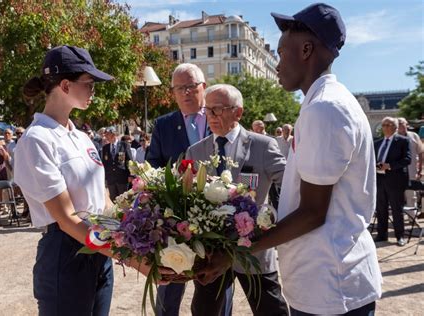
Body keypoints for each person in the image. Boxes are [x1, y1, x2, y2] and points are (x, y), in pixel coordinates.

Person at [194, 4, 382, 315]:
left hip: (331, 287)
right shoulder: (323, 104)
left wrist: (233, 255)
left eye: (282, 53)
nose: (278, 64)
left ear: (307, 49)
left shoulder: (325, 108)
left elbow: (312, 212)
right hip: (327, 282)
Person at [14, 45, 121, 315]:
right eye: (89, 84)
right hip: (66, 250)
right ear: (64, 85)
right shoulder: (37, 139)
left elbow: (103, 198)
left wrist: (128, 234)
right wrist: (128, 256)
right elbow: (66, 218)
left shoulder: (83, 137)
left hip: (98, 245)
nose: (93, 92)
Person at [186, 84, 288, 316]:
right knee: (203, 311)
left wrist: (270, 218)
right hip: (211, 254)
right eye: (207, 110)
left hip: (254, 250)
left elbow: (290, 185)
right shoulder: (196, 151)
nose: (210, 116)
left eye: (218, 109)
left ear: (238, 112)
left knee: (272, 311)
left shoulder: (262, 145)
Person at [147, 63, 211, 316]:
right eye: (179, 88)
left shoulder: (219, 114)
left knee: (213, 287)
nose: (185, 93)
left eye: (191, 86)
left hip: (214, 215)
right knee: (170, 285)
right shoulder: (163, 125)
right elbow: (153, 164)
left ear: (203, 86)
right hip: (175, 218)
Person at [374, 117, 411, 246]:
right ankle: (381, 235)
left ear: (395, 127)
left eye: (388, 124)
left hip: (395, 180)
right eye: (383, 125)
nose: (385, 127)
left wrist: (389, 165)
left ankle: (400, 236)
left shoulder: (403, 141)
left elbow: (407, 159)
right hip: (379, 179)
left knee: (396, 209)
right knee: (381, 208)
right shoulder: (377, 143)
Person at [101, 126, 133, 199]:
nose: (105, 136)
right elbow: (104, 164)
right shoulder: (105, 148)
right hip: (111, 180)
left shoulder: (124, 145)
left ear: (113, 134)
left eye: (107, 134)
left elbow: (129, 161)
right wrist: (105, 178)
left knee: (124, 201)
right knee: (113, 200)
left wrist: (131, 175)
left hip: (122, 179)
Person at [397, 117, 423, 207]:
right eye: (398, 123)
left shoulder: (414, 136)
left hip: (412, 169)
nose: (400, 124)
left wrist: (420, 168)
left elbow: (420, 152)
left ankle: (412, 218)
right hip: (397, 171)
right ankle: (399, 218)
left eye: (402, 123)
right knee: (398, 195)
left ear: (406, 124)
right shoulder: (393, 137)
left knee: (411, 194)